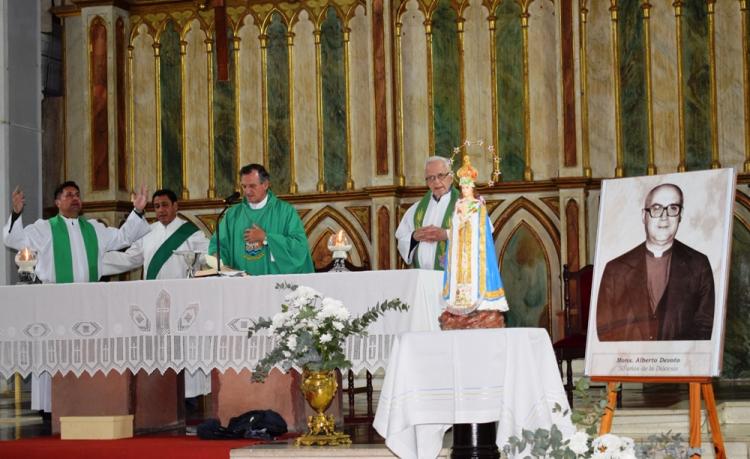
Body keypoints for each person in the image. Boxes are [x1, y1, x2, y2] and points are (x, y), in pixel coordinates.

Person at [3, 181, 151, 413]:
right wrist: (16, 213)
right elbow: (14, 240)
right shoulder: (44, 228)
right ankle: (50, 406)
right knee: (54, 351)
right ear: (57, 202)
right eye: (69, 194)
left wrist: (138, 210)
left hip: (88, 300)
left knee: (86, 350)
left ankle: (86, 398)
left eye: (77, 194)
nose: (75, 198)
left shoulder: (93, 228)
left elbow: (123, 238)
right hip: (55, 301)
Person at [101, 188, 211, 399]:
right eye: (157, 206)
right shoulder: (147, 233)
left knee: (183, 347)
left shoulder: (191, 233)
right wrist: (96, 263)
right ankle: (160, 393)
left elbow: (210, 255)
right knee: (158, 347)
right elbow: (130, 259)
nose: (161, 210)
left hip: (182, 302)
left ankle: (189, 394)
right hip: (153, 302)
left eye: (165, 205)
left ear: (175, 206)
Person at [596, 183, 715, 341]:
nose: (664, 217)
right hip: (630, 364)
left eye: (673, 208)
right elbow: (604, 330)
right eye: (657, 208)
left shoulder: (699, 265)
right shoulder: (615, 269)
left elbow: (705, 326)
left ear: (681, 215)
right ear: (644, 216)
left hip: (680, 364)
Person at [208, 164, 314, 275]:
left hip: (275, 285)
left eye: (252, 186)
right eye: (244, 186)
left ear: (265, 184)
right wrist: (217, 257)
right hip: (241, 286)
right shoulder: (232, 215)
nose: (247, 191)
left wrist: (266, 238)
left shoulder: (285, 212)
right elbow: (218, 245)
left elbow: (299, 247)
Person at [441, 154, 509, 314]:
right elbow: (453, 224)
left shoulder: (479, 206)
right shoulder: (458, 205)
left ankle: (480, 303)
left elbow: (485, 229)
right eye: (462, 188)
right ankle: (457, 303)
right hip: (460, 249)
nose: (464, 190)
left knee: (475, 273)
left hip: (474, 249)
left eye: (467, 187)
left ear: (472, 188)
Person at [395, 156, 459, 270]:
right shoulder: (416, 210)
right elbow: (401, 239)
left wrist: (446, 234)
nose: (436, 182)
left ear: (451, 177)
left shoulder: (466, 205)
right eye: (430, 178)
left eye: (440, 175)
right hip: (424, 279)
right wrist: (414, 237)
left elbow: (480, 235)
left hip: (455, 280)